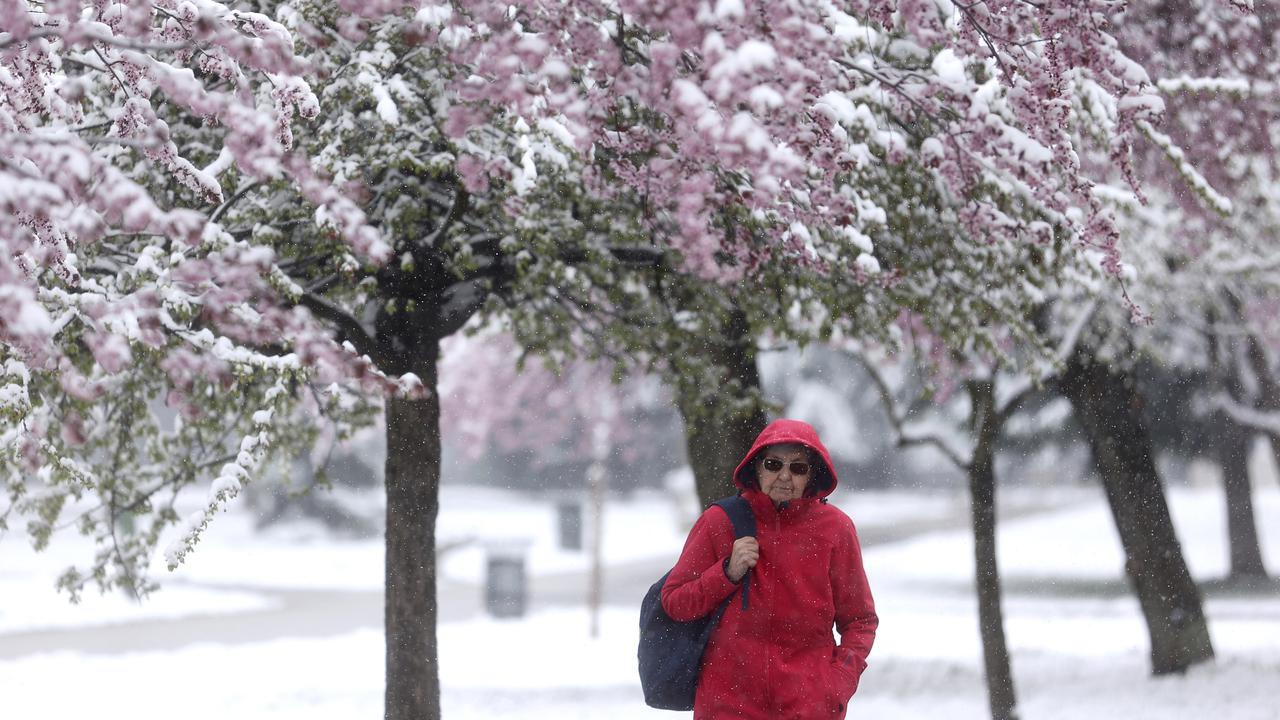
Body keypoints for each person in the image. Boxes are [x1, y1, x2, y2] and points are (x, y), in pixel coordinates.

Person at [661, 418, 877, 719]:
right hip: (727, 705)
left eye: (798, 467)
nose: (785, 476)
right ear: (757, 467)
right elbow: (675, 602)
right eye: (774, 464)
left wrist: (836, 684)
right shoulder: (719, 522)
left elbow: (860, 620)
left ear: (812, 474)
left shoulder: (836, 530)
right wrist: (726, 573)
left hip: (807, 708)